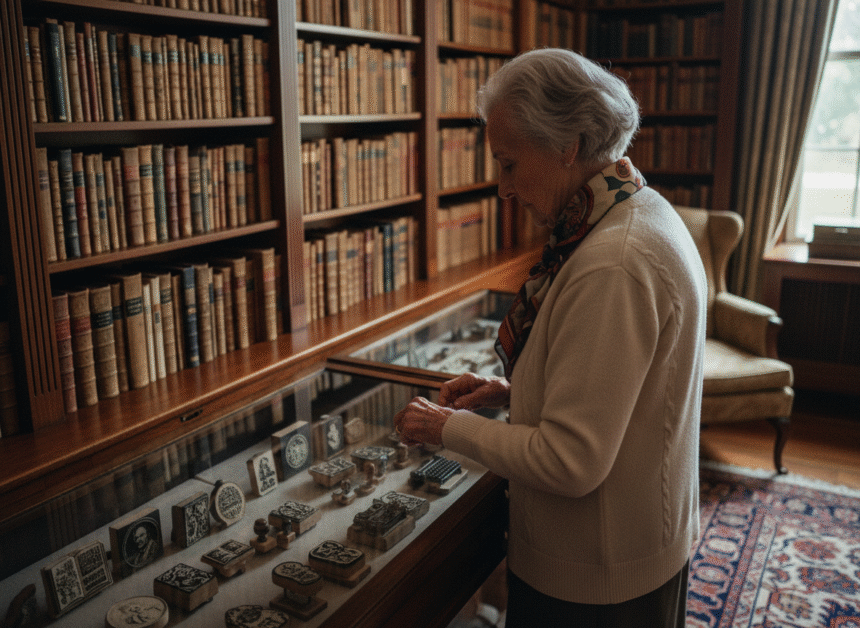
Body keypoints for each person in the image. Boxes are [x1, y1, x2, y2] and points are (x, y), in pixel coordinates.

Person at [393, 48, 707, 628]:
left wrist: (445, 428)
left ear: (569, 145)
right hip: (628, 554)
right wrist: (513, 391)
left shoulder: (613, 261)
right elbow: (623, 389)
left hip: (596, 581)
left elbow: (570, 461)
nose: (501, 189)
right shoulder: (635, 210)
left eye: (509, 164)